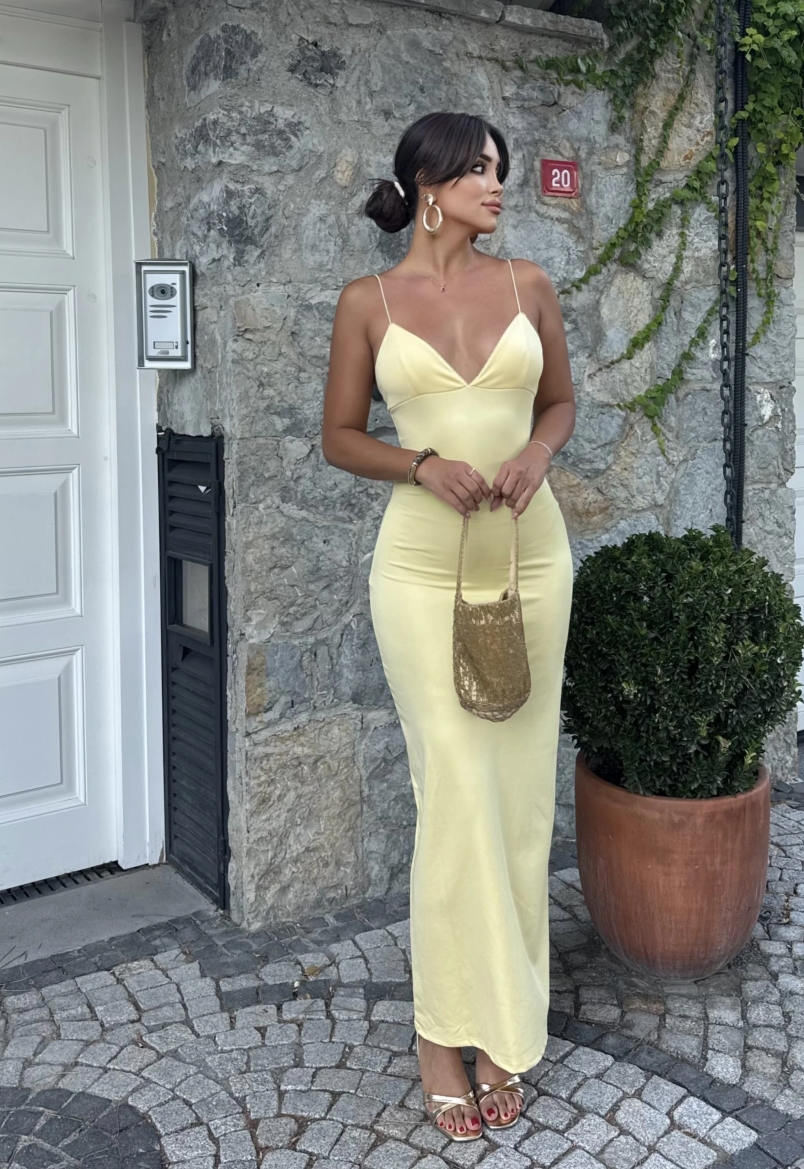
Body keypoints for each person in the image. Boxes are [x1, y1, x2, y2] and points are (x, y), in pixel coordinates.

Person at [321, 112, 576, 1143]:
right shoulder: (367, 302)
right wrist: (421, 464)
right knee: (455, 790)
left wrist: (538, 454)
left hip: (531, 561)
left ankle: (504, 1016)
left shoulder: (529, 285)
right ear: (428, 183)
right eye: (478, 169)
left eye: (500, 169)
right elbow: (340, 436)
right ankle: (441, 1033)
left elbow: (559, 404)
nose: (496, 184)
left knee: (517, 797)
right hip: (422, 573)